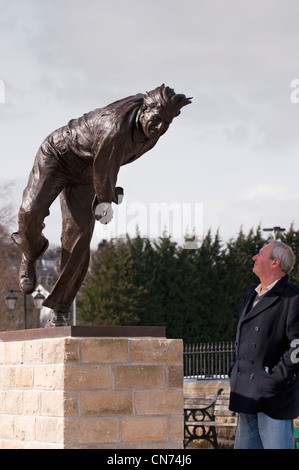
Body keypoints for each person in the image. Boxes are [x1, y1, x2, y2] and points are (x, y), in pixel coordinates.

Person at [11, 84, 192, 326]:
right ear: (145, 109)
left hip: (87, 172)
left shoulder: (151, 134)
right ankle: (31, 251)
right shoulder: (115, 127)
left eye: (166, 124)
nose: (159, 128)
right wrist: (105, 198)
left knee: (80, 239)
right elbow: (106, 165)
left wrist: (104, 191)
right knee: (30, 212)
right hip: (58, 157)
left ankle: (60, 309)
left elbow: (110, 165)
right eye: (157, 120)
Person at [229, 240, 299, 449]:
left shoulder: (293, 297)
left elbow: (297, 346)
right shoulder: (252, 294)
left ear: (274, 263)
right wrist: (234, 371)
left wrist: (275, 379)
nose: (254, 257)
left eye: (260, 253)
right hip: (245, 393)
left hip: (274, 396)